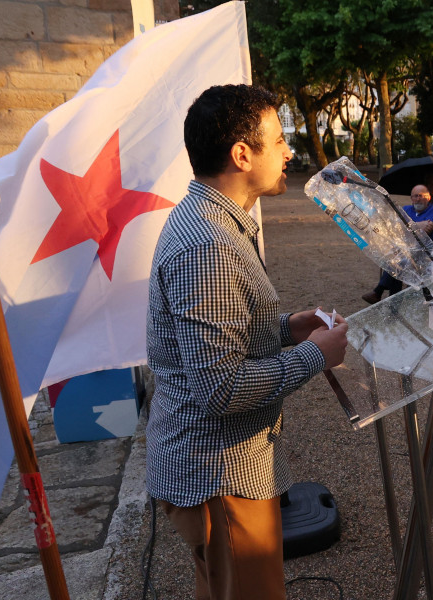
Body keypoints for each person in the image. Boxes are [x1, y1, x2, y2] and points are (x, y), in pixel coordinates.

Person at [146, 84, 349, 600]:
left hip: (223, 469)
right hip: (217, 476)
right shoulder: (208, 243)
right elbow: (221, 388)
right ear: (242, 154)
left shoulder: (216, 220)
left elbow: (218, 339)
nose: (289, 153)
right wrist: (314, 354)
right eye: (279, 141)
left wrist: (286, 328)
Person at [362, 184, 433, 304]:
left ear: (428, 197)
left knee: (399, 262)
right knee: (399, 260)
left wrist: (407, 226)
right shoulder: (406, 209)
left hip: (424, 253)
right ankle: (393, 303)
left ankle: (379, 292)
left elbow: (428, 229)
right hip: (404, 251)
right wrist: (419, 225)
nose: (418, 199)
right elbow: (395, 228)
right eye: (415, 196)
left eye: (421, 196)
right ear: (411, 198)